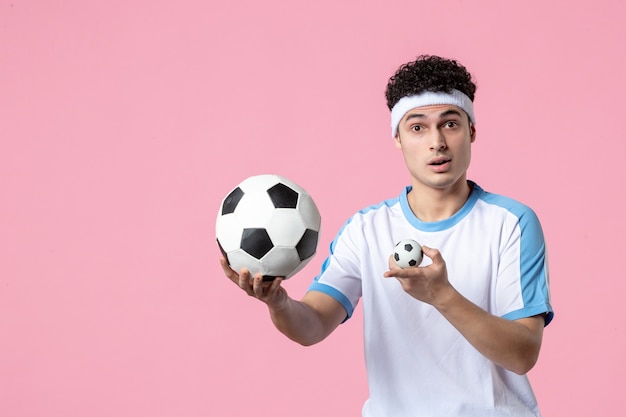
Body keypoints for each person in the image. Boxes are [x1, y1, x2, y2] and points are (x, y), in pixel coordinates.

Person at [220, 54, 554, 416]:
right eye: (417, 128)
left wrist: (442, 295)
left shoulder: (511, 223)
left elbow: (522, 354)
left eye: (451, 124)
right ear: (397, 138)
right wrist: (279, 303)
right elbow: (313, 326)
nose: (437, 142)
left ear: (472, 130)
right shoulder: (366, 230)